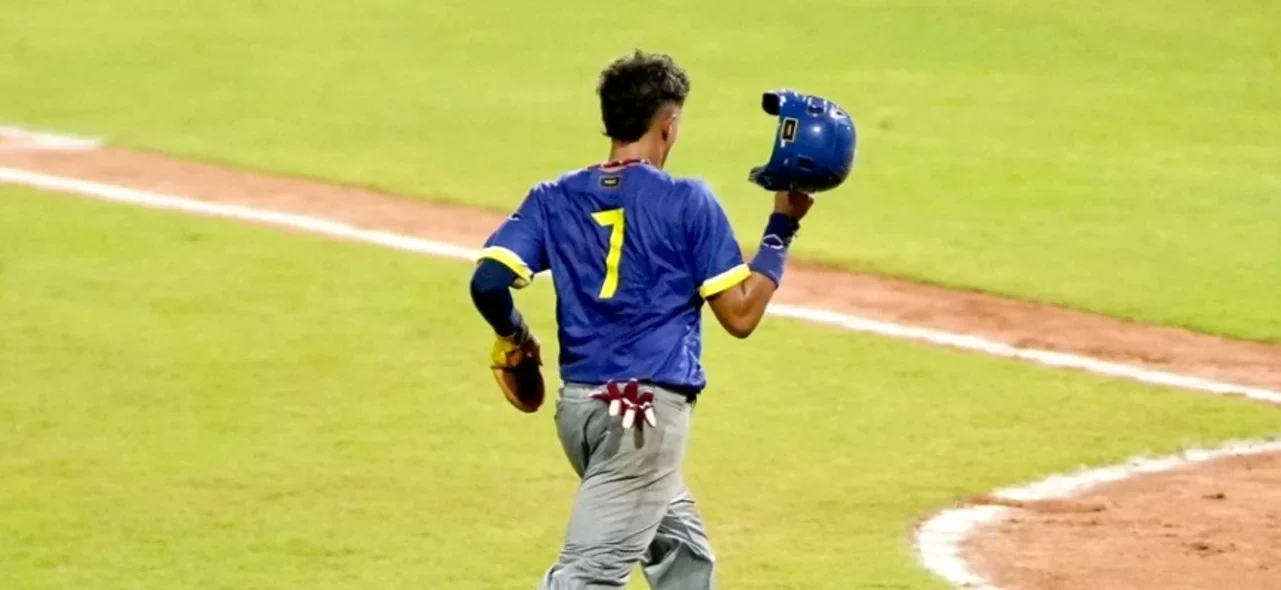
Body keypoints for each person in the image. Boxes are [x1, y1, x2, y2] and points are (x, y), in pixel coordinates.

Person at [468, 49, 855, 589]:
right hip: (641, 420)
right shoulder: (687, 200)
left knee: (683, 555)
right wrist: (781, 227)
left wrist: (516, 336)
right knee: (586, 576)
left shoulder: (552, 197)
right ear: (668, 125)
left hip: (580, 413)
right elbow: (741, 315)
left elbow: (487, 282)